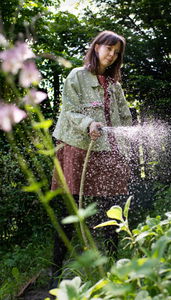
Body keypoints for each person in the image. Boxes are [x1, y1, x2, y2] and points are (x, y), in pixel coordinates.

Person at [50, 30, 132, 285]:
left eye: (117, 52)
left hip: (109, 152)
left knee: (112, 208)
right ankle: (55, 271)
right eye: (109, 48)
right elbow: (70, 111)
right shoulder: (77, 76)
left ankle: (113, 266)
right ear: (96, 47)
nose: (112, 55)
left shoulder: (115, 86)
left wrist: (125, 146)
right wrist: (89, 125)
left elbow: (125, 119)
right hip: (77, 149)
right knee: (71, 208)